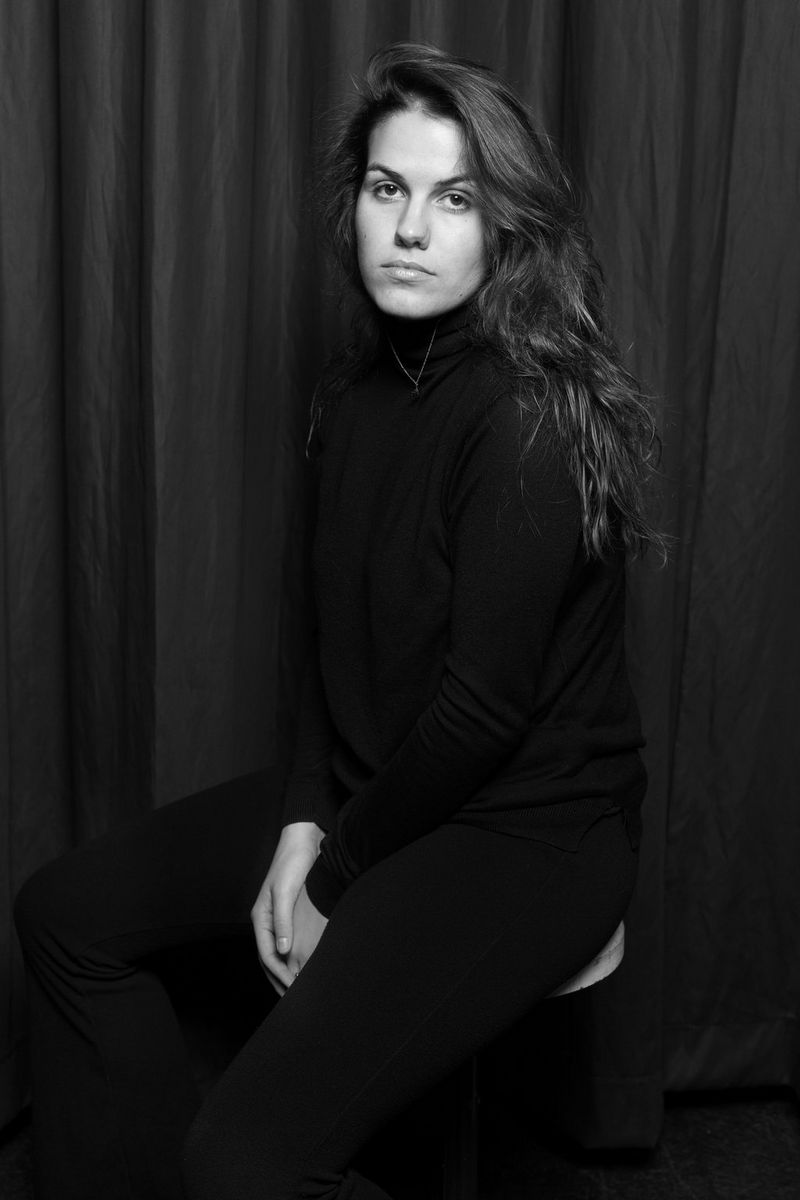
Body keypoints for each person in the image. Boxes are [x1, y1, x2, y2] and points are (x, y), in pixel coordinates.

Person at [14, 42, 662, 1200]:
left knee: (246, 1157)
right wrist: (306, 819)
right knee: (64, 917)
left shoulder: (525, 418)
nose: (410, 228)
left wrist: (329, 875)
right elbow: (320, 639)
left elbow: (480, 711)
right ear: (353, 204)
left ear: (505, 226)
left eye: (452, 198)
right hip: (377, 788)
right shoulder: (351, 395)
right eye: (385, 188)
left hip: (526, 827)